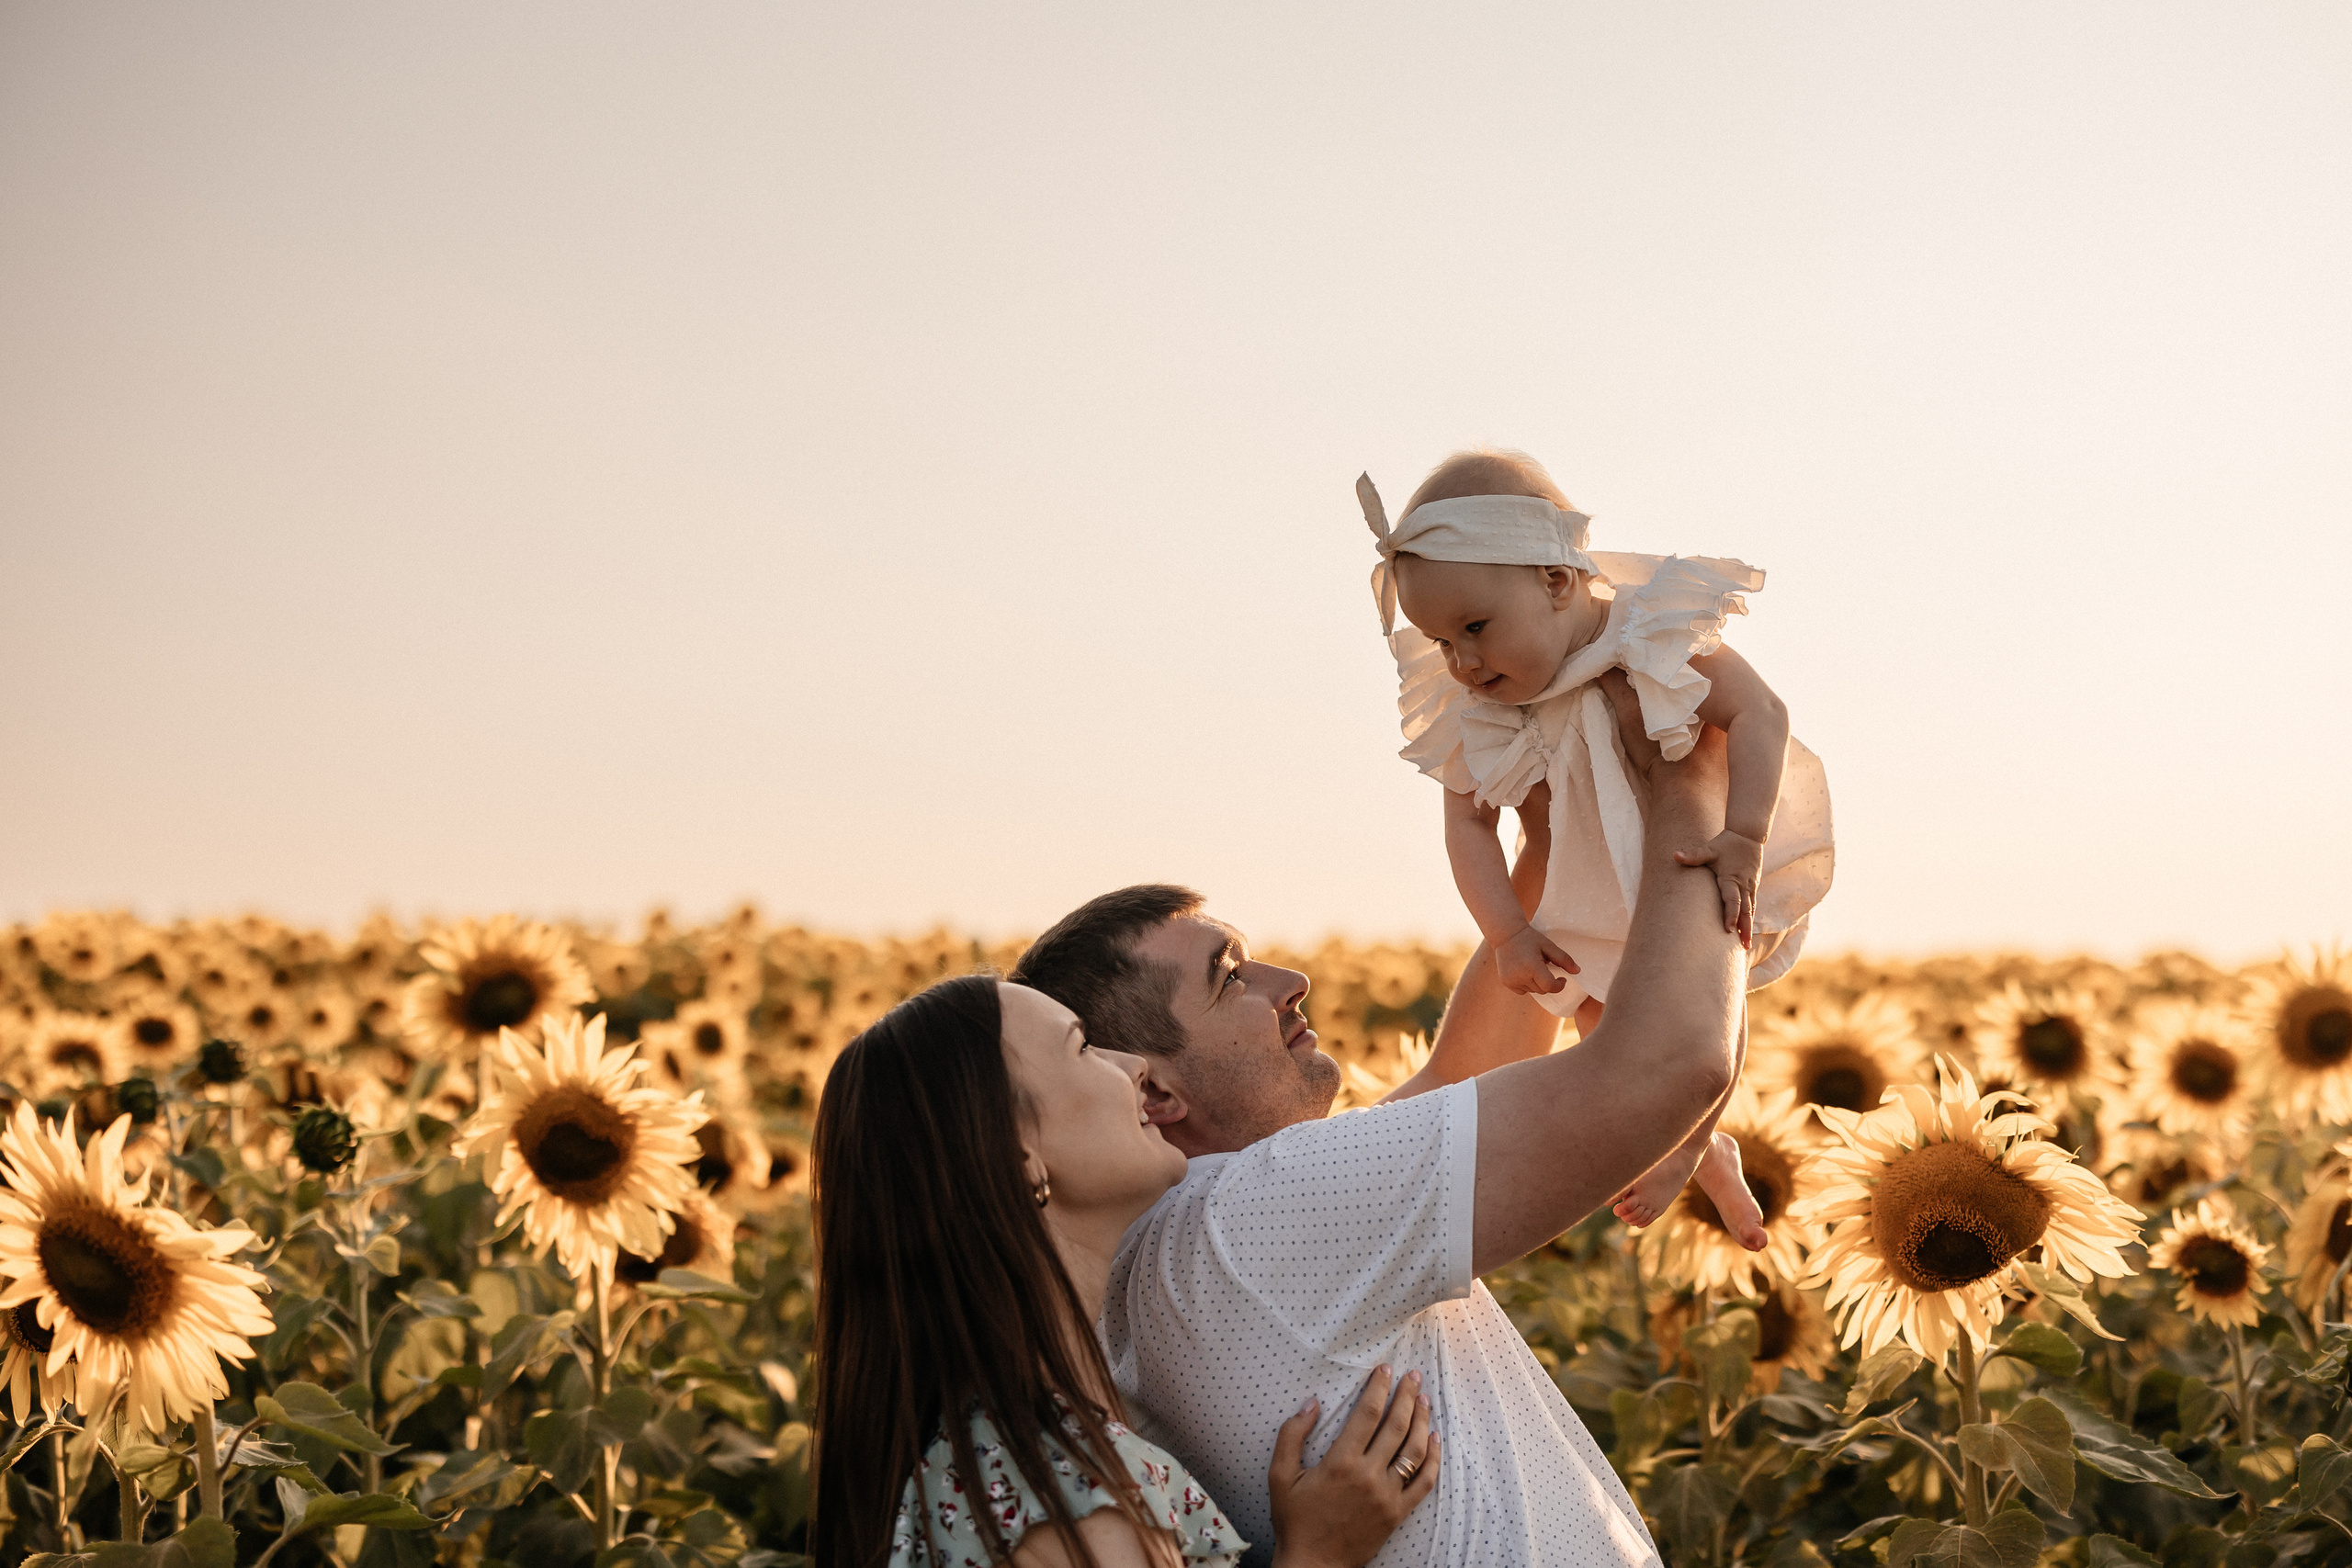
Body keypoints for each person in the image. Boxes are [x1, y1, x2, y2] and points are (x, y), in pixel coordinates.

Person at [1009, 674, 1746, 1567]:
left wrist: (1545, 848)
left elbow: (1465, 1076)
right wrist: (1691, 771)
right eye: (1229, 977)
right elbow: (1670, 1066)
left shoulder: (1190, 1245)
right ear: (1153, 1093)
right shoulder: (1246, 1226)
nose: (1289, 982)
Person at [1356, 448, 1836, 1235]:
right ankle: (1701, 1149)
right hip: (1574, 903)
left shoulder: (1649, 636)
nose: (1464, 662)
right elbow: (1467, 824)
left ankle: (1696, 1145)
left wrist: (1744, 835)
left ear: (1556, 580)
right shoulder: (1475, 704)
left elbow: (1761, 714)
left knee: (1711, 1008)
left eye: (1475, 627)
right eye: (1442, 643)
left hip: (1684, 869)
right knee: (1599, 1039)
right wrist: (1506, 929)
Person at [808, 974, 1441, 1568]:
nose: (1135, 1064)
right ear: (1018, 1153)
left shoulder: (999, 1452)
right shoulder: (1059, 1495)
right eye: (1083, 1047)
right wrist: (1318, 1555)